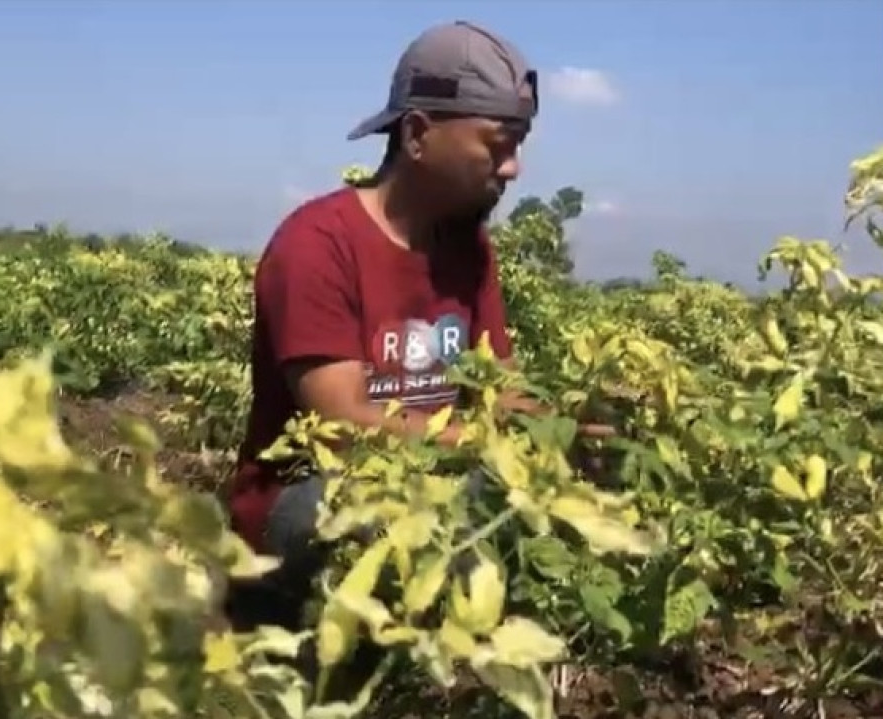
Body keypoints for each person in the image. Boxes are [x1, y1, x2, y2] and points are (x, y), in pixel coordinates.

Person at [219, 19, 613, 700]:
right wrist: (490, 450)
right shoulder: (317, 244)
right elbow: (343, 426)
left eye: (518, 146)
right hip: (309, 507)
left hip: (437, 488)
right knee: (405, 508)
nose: (514, 167)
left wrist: (567, 432)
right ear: (419, 133)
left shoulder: (470, 250)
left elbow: (501, 392)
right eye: (500, 145)